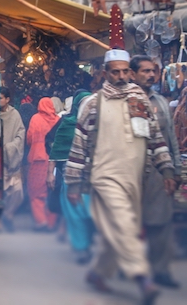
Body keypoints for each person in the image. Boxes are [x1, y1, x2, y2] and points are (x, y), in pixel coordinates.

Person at [66, 49, 175, 304]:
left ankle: (98, 272)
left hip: (136, 179)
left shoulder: (141, 101)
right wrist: (72, 183)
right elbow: (79, 144)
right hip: (104, 177)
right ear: (105, 73)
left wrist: (167, 169)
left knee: (119, 229)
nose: (122, 76)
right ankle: (143, 279)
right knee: (125, 224)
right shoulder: (94, 103)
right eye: (116, 71)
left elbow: (156, 138)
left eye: (125, 71)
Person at [130, 55, 182, 288]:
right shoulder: (123, 101)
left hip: (158, 173)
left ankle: (160, 270)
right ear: (133, 74)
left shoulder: (161, 102)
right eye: (145, 71)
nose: (151, 75)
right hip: (130, 171)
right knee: (128, 223)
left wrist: (175, 169)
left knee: (160, 222)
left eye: (153, 71)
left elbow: (170, 137)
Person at [47, 89, 94, 264]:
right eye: (84, 104)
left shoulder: (99, 124)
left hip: (93, 175)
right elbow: (56, 149)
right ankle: (82, 248)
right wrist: (50, 174)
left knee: (92, 212)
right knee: (75, 212)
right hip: (71, 175)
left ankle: (93, 244)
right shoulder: (67, 124)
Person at [26, 97, 60, 231]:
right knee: (52, 190)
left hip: (37, 159)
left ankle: (41, 221)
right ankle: (51, 222)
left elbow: (29, 138)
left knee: (35, 191)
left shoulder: (35, 118)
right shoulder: (58, 119)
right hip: (53, 159)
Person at [0, 86, 25, 233]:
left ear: (8, 99)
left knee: (17, 192)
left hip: (11, 160)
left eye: (1, 97)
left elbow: (21, 134)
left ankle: (8, 215)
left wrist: (10, 147)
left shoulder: (15, 115)